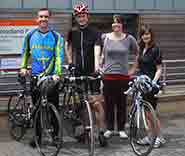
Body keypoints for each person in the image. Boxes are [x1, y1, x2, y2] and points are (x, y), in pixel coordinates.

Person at [20, 8, 64, 147]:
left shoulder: (57, 36)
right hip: (35, 76)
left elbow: (58, 56)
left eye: (46, 17)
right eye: (41, 17)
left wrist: (57, 73)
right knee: (37, 108)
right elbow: (25, 53)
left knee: (53, 108)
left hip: (52, 78)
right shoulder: (29, 35)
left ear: (49, 19)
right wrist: (23, 67)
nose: (43, 19)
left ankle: (56, 137)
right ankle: (37, 137)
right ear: (36, 19)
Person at [65, 3, 107, 146]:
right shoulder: (73, 31)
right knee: (83, 104)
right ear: (76, 18)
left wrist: (96, 68)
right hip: (78, 72)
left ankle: (101, 132)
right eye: (78, 16)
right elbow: (68, 45)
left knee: (96, 103)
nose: (81, 18)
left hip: (91, 72)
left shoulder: (95, 32)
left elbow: (97, 49)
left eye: (83, 16)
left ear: (87, 16)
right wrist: (70, 61)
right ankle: (86, 131)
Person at [96, 15, 139, 139]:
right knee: (109, 103)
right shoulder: (104, 37)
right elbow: (99, 52)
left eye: (118, 23)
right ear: (111, 25)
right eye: (114, 23)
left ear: (122, 25)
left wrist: (133, 69)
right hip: (108, 76)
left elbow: (137, 53)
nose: (116, 25)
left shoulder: (129, 39)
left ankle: (121, 128)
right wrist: (99, 65)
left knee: (121, 103)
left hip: (123, 77)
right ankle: (109, 128)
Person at [133, 24, 166, 148]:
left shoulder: (155, 49)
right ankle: (150, 136)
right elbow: (138, 66)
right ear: (141, 36)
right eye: (143, 34)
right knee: (146, 112)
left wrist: (153, 82)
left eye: (147, 34)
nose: (145, 36)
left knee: (152, 112)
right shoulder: (141, 49)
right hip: (142, 84)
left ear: (151, 35)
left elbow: (159, 69)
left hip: (151, 84)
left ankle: (158, 137)